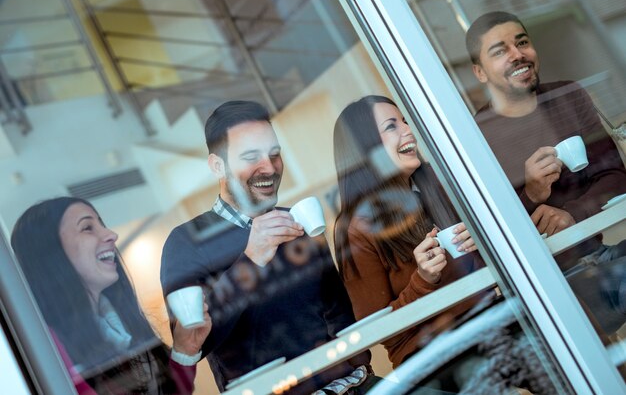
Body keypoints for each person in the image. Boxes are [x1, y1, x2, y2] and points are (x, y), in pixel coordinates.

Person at [160, 100, 374, 394]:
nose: (270, 167)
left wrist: (358, 365)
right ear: (217, 165)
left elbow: (338, 310)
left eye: (275, 154)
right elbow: (195, 343)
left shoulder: (297, 220)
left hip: (354, 385)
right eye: (251, 156)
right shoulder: (186, 242)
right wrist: (251, 260)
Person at [332, 95, 488, 370]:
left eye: (404, 122)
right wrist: (423, 280)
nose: (408, 130)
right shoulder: (356, 228)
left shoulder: (435, 183)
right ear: (366, 149)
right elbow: (377, 331)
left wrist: (483, 243)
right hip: (431, 354)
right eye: (392, 127)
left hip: (485, 317)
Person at [465, 11, 626, 270]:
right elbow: (484, 236)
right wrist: (531, 194)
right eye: (499, 52)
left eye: (522, 43)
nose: (517, 55)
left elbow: (615, 175)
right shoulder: (474, 139)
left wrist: (573, 213)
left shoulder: (567, 96)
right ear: (480, 72)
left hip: (598, 253)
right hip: (540, 279)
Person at [10, 197, 211, 394]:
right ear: (51, 257)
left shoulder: (117, 325)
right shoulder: (48, 349)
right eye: (87, 228)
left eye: (102, 225)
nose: (111, 235)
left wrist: (185, 349)